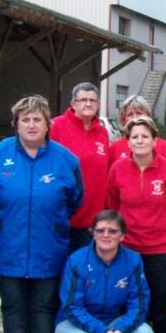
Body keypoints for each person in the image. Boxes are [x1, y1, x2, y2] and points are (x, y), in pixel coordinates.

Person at [0, 95, 84, 333]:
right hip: (7, 246)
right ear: (16, 124)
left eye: (37, 119)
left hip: (47, 245)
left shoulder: (65, 159)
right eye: (25, 119)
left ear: (47, 124)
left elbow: (75, 199)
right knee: (12, 306)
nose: (31, 124)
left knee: (43, 307)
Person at [107, 116, 166, 333]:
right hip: (128, 248)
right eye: (134, 137)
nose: (139, 141)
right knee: (129, 301)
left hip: (161, 247)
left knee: (160, 302)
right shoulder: (117, 169)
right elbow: (113, 206)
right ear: (127, 141)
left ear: (154, 140)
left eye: (144, 136)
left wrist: (164, 233)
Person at [55, 210, 154, 333]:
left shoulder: (132, 260)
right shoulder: (77, 260)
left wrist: (119, 330)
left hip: (113, 320)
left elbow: (139, 303)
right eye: (100, 230)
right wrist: (103, 332)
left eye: (112, 231)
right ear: (93, 233)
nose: (105, 235)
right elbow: (71, 307)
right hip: (74, 323)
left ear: (122, 236)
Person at [49, 82, 109, 253]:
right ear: (73, 104)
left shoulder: (102, 133)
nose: (88, 104)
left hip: (93, 218)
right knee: (60, 270)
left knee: (87, 272)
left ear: (98, 105)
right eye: (83, 100)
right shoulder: (56, 127)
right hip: (62, 216)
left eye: (92, 100)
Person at [109, 95, 166, 165]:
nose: (135, 118)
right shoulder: (115, 147)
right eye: (130, 114)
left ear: (148, 116)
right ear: (123, 119)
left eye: (139, 113)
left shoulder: (165, 147)